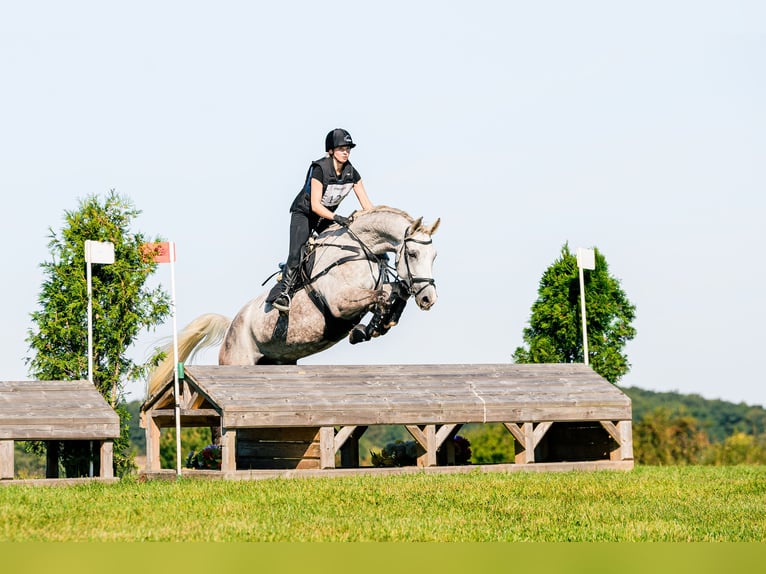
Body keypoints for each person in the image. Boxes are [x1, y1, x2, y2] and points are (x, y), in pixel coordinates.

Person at [267, 128, 374, 312]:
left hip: (326, 217)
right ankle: (283, 292)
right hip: (305, 213)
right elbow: (316, 206)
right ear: (331, 150)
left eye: (348, 148)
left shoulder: (352, 173)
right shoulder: (319, 169)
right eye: (341, 148)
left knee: (343, 242)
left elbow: (367, 206)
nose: (346, 152)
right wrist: (336, 217)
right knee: (297, 252)